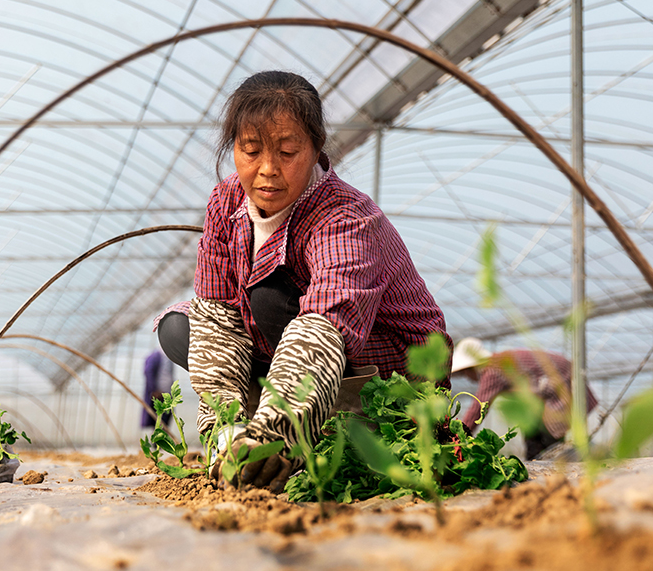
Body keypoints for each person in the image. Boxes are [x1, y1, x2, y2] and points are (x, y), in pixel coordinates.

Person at [155, 71, 451, 492]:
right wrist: (224, 430)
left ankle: (304, 432)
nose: (268, 171)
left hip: (390, 368)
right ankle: (250, 439)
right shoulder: (226, 202)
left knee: (269, 299)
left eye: (288, 151)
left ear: (315, 149)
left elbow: (324, 328)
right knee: (182, 328)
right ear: (234, 149)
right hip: (293, 356)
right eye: (251, 151)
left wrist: (276, 433)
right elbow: (218, 321)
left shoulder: (345, 219)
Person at [451, 337, 598, 460]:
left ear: (471, 368)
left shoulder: (492, 370)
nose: (467, 378)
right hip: (551, 389)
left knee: (549, 434)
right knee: (535, 433)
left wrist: (458, 437)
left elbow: (478, 407)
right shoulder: (499, 363)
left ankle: (554, 466)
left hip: (562, 382)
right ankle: (545, 461)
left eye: (465, 373)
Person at [140, 349, 175, 429]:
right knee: (159, 422)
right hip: (159, 395)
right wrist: (154, 390)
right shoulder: (155, 357)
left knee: (165, 422)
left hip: (167, 394)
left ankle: (161, 440)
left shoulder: (170, 358)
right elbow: (148, 372)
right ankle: (157, 440)